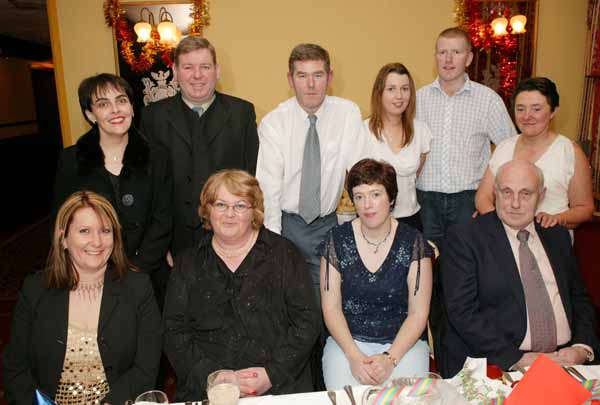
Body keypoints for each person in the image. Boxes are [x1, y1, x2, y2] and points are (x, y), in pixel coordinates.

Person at [162, 170, 320, 401]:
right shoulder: (188, 262)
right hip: (209, 387)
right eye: (221, 205)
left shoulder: (284, 254)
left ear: (254, 211)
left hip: (278, 384)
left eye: (240, 206)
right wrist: (211, 377)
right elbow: (173, 330)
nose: (229, 214)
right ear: (207, 210)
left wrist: (271, 374)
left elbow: (307, 322)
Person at [441, 160, 599, 378]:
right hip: (502, 363)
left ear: (541, 196)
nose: (515, 203)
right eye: (507, 192)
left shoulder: (556, 236)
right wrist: (516, 359)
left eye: (526, 194)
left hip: (568, 361)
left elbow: (579, 298)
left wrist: (582, 347)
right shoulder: (465, 238)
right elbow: (462, 312)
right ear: (495, 193)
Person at [3, 191, 162, 403]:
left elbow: (145, 370)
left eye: (105, 231)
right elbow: (15, 368)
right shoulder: (35, 289)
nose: (97, 242)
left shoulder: (138, 288)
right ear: (63, 239)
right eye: (84, 231)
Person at [256, 43, 367, 298]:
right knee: (286, 298)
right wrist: (274, 244)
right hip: (287, 224)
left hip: (329, 223)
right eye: (302, 76)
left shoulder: (347, 113)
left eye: (318, 75)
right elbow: (268, 189)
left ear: (329, 78)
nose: (311, 85)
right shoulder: (275, 122)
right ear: (290, 79)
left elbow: (360, 173)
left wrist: (364, 227)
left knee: (326, 301)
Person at [52, 73, 172, 306]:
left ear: (133, 108)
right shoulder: (70, 160)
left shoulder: (157, 156)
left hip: (148, 276)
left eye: (121, 100)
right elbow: (61, 222)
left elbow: (163, 218)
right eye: (103, 104)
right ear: (90, 114)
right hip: (90, 276)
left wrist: (137, 270)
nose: (115, 110)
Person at [140, 36, 259, 258]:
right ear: (175, 72)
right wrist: (159, 243)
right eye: (188, 67)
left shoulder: (242, 113)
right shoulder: (152, 117)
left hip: (232, 235)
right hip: (173, 240)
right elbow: (148, 185)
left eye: (205, 67)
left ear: (217, 70)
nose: (197, 75)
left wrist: (249, 233)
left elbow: (251, 177)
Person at [319, 159, 433, 389]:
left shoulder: (414, 242)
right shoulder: (336, 240)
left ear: (391, 198)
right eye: (359, 196)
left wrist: (390, 358)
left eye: (375, 194)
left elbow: (418, 313)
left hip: (403, 345)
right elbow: (331, 308)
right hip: (347, 344)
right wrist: (353, 356)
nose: (367, 205)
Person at [416, 27, 516, 250]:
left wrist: (490, 197)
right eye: (442, 52)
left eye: (456, 52)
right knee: (426, 269)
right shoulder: (417, 99)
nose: (448, 59)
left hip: (468, 200)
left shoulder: (488, 100)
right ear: (435, 57)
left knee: (465, 269)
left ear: (469, 58)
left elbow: (510, 150)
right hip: (424, 202)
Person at [475, 77, 594, 229]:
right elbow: (482, 197)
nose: (526, 116)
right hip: (503, 239)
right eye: (520, 109)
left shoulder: (569, 151)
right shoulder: (504, 147)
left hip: (549, 239)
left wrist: (556, 219)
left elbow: (585, 208)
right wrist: (500, 224)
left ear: (553, 111)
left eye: (536, 109)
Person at [365, 63, 432, 231]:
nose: (399, 96)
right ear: (379, 93)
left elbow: (416, 174)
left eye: (405, 89)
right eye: (391, 89)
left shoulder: (421, 130)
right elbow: (353, 180)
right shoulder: (362, 131)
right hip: (372, 221)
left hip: (410, 220)